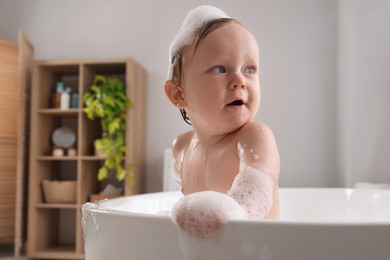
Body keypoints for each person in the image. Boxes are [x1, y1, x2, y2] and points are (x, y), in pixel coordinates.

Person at [164, 5, 280, 240]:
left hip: (259, 251)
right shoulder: (181, 149)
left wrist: (232, 214)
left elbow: (258, 187)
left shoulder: (254, 137)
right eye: (220, 69)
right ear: (179, 95)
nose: (239, 81)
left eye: (249, 69)